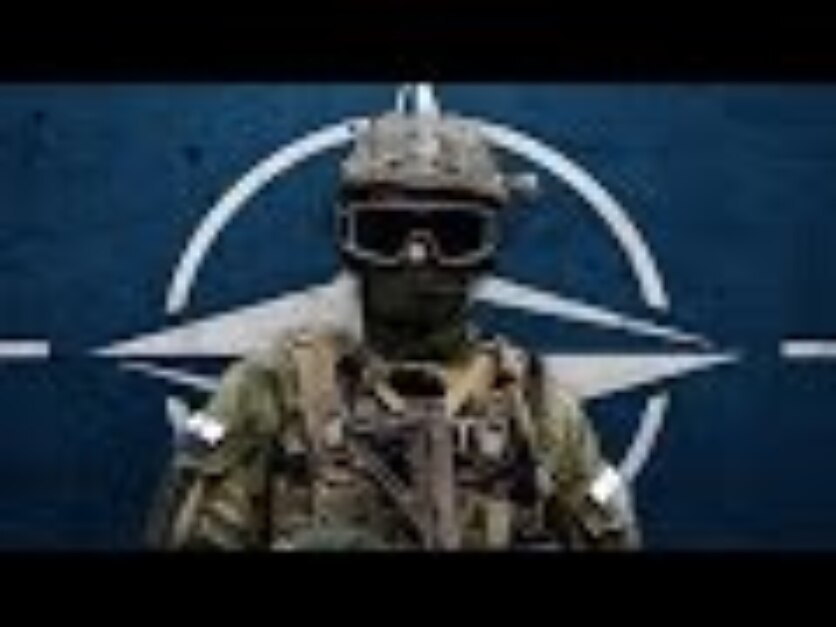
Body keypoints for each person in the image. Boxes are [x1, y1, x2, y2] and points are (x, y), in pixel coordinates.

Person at [146, 90, 640, 550]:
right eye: (387, 233)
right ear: (349, 245)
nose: (418, 258)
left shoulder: (536, 407)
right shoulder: (274, 388)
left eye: (453, 235)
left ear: (485, 252)